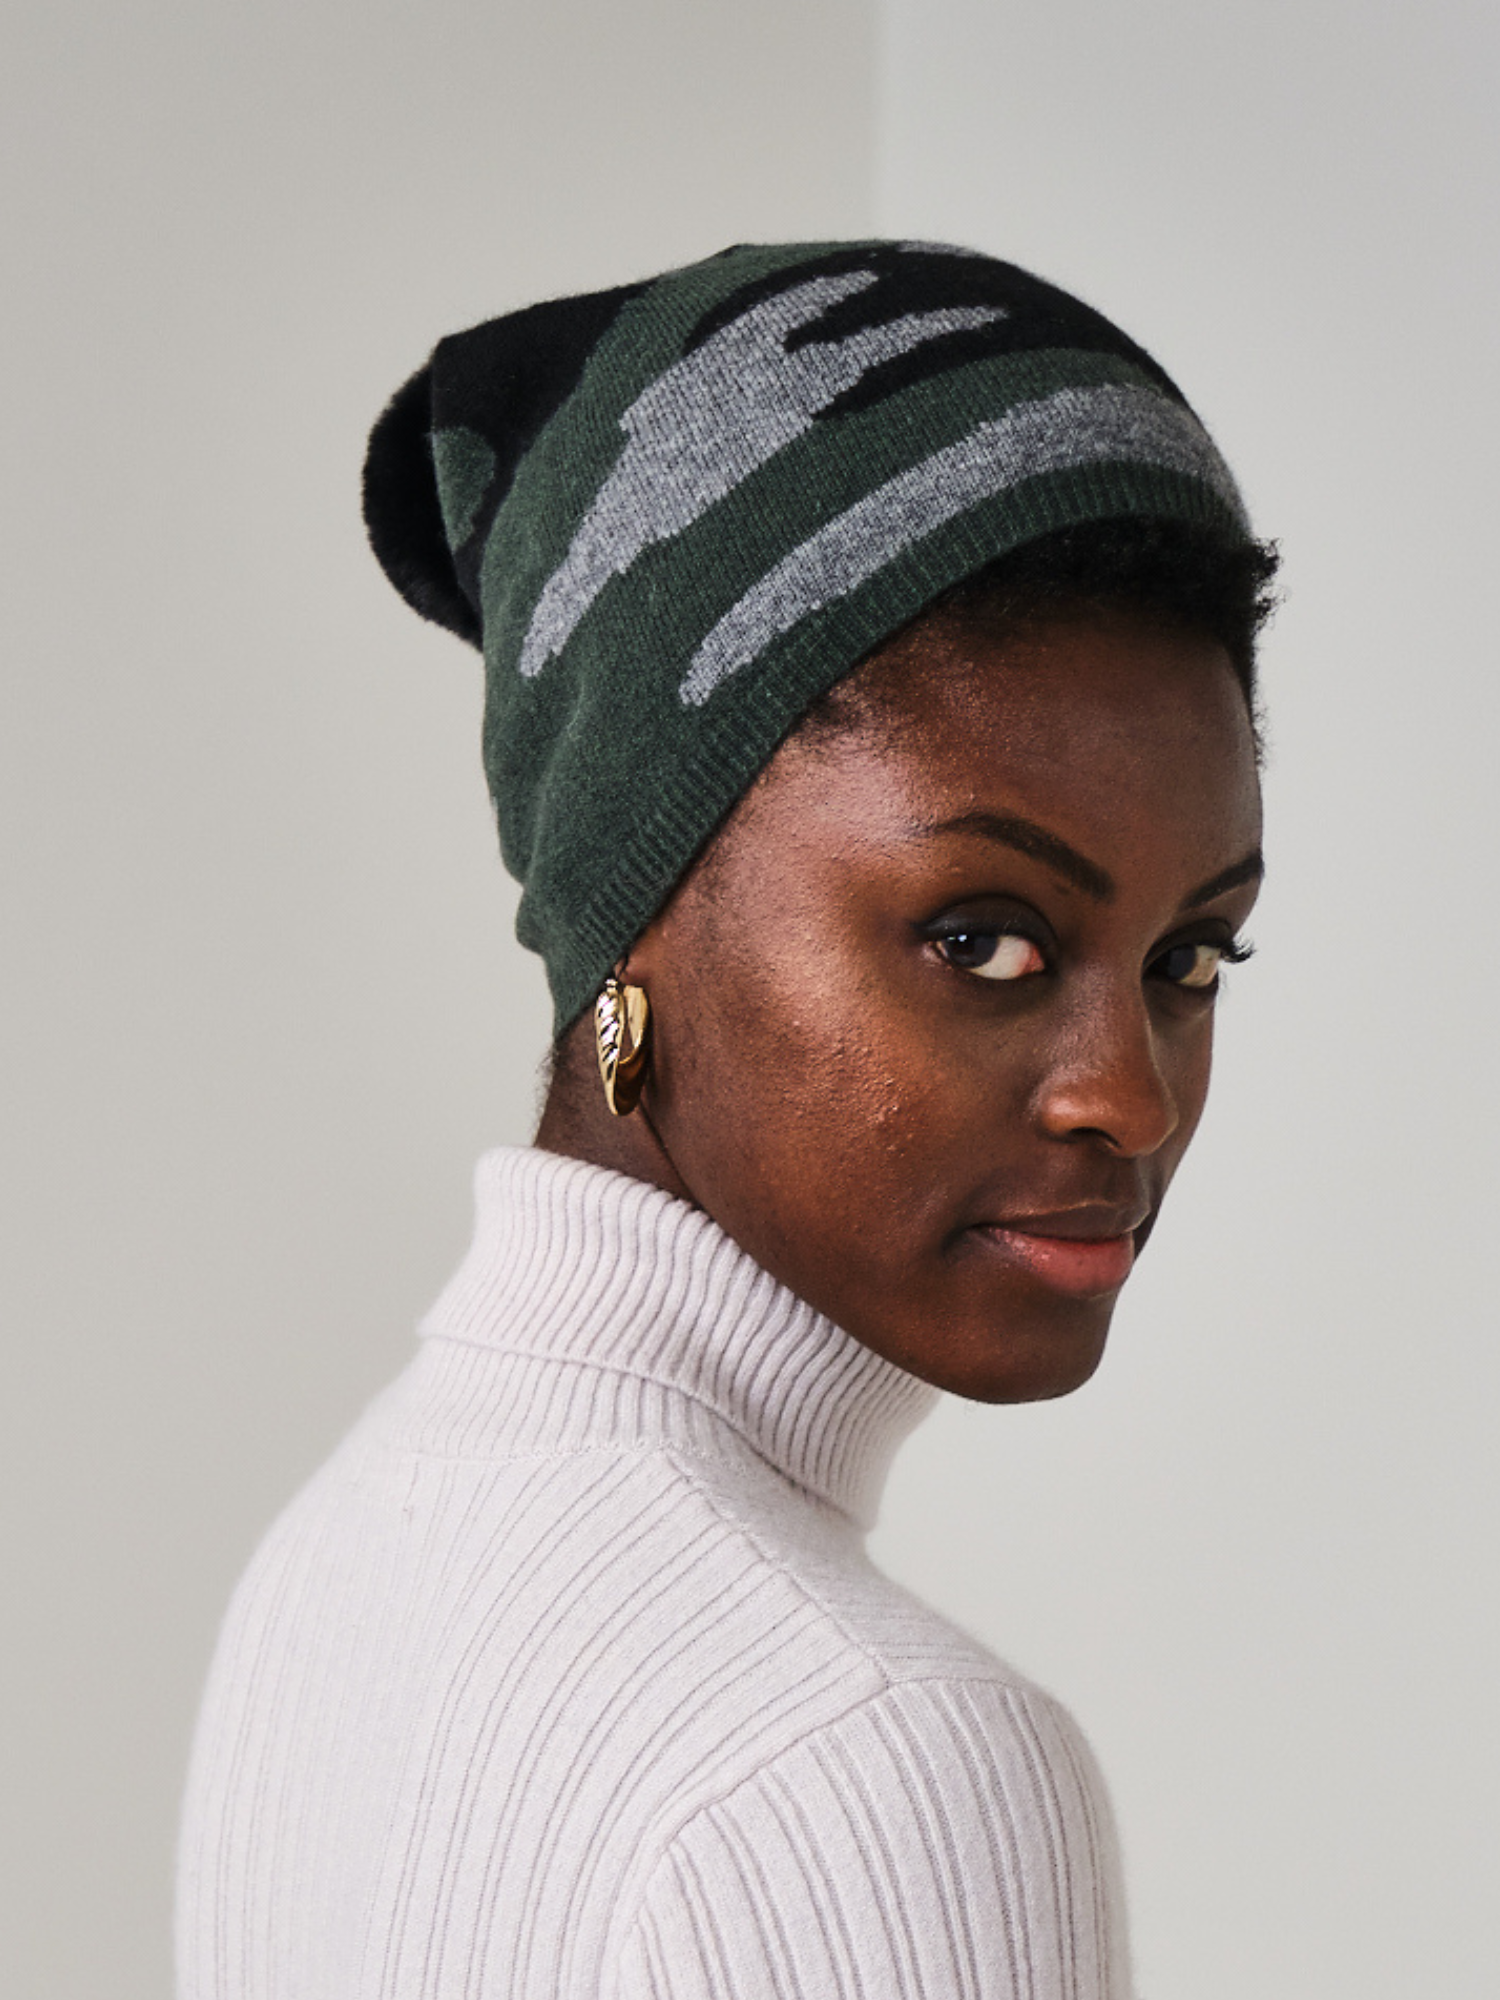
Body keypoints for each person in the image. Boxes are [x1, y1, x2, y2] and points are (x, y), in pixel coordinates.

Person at [176, 240, 1276, 1998]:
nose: (1127, 1093)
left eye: (1191, 956)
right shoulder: (886, 1763)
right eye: (983, 937)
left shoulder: (337, 1561)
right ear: (637, 911)